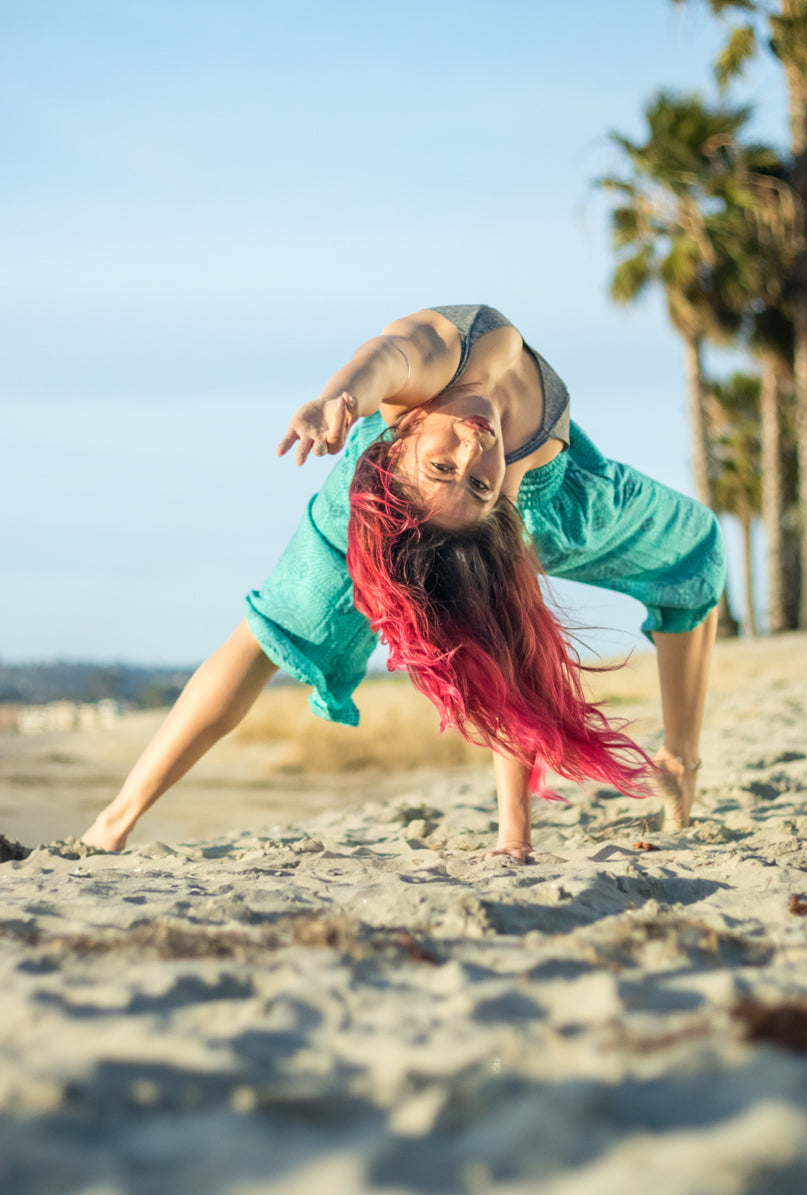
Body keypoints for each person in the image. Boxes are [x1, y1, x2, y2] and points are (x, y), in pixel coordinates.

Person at [81, 305, 724, 859]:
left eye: (457, 466)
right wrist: (337, 403)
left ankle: (681, 761)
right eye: (458, 469)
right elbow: (390, 363)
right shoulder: (458, 435)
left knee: (694, 544)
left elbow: (389, 355)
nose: (474, 450)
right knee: (276, 626)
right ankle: (114, 821)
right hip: (415, 512)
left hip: (486, 506)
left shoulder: (458, 405)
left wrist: (338, 401)